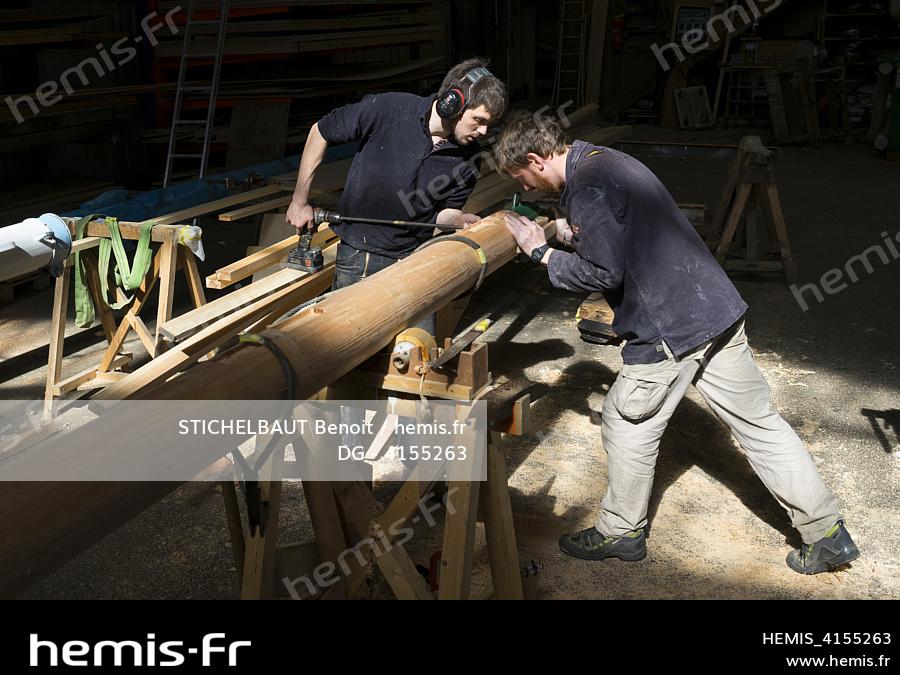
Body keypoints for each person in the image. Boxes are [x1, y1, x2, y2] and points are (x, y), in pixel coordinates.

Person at [495, 111, 860, 575]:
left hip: (670, 327)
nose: (526, 188)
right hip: (715, 309)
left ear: (534, 159)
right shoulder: (606, 161)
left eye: (521, 178)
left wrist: (542, 253)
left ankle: (621, 532)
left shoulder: (587, 187)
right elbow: (623, 231)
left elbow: (603, 273)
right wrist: (572, 231)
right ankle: (827, 534)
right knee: (761, 425)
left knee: (626, 422)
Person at [285, 58, 508, 332]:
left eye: (488, 125)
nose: (483, 131)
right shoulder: (388, 109)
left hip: (414, 259)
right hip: (359, 256)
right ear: (453, 103)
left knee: (417, 346)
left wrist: (458, 220)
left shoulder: (468, 157)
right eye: (479, 120)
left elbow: (445, 211)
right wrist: (299, 201)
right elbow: (320, 132)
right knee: (346, 338)